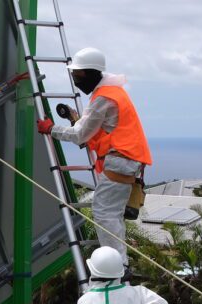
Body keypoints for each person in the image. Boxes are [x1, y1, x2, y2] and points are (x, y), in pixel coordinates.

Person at [37, 47, 154, 259]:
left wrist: (51, 129)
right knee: (112, 214)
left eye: (77, 75)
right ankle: (119, 262)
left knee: (104, 213)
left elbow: (81, 134)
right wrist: (77, 120)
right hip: (125, 161)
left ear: (91, 72)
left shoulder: (104, 97)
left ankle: (116, 264)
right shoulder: (112, 92)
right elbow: (97, 130)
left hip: (120, 161)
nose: (75, 80)